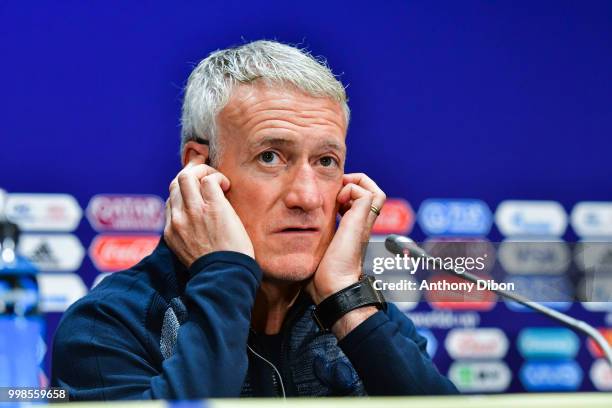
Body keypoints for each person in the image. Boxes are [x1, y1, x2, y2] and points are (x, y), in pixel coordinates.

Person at [51, 40, 458, 399]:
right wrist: (226, 275)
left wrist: (346, 303)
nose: (308, 197)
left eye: (326, 161)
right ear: (200, 169)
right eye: (270, 156)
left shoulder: (366, 316)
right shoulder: (108, 324)